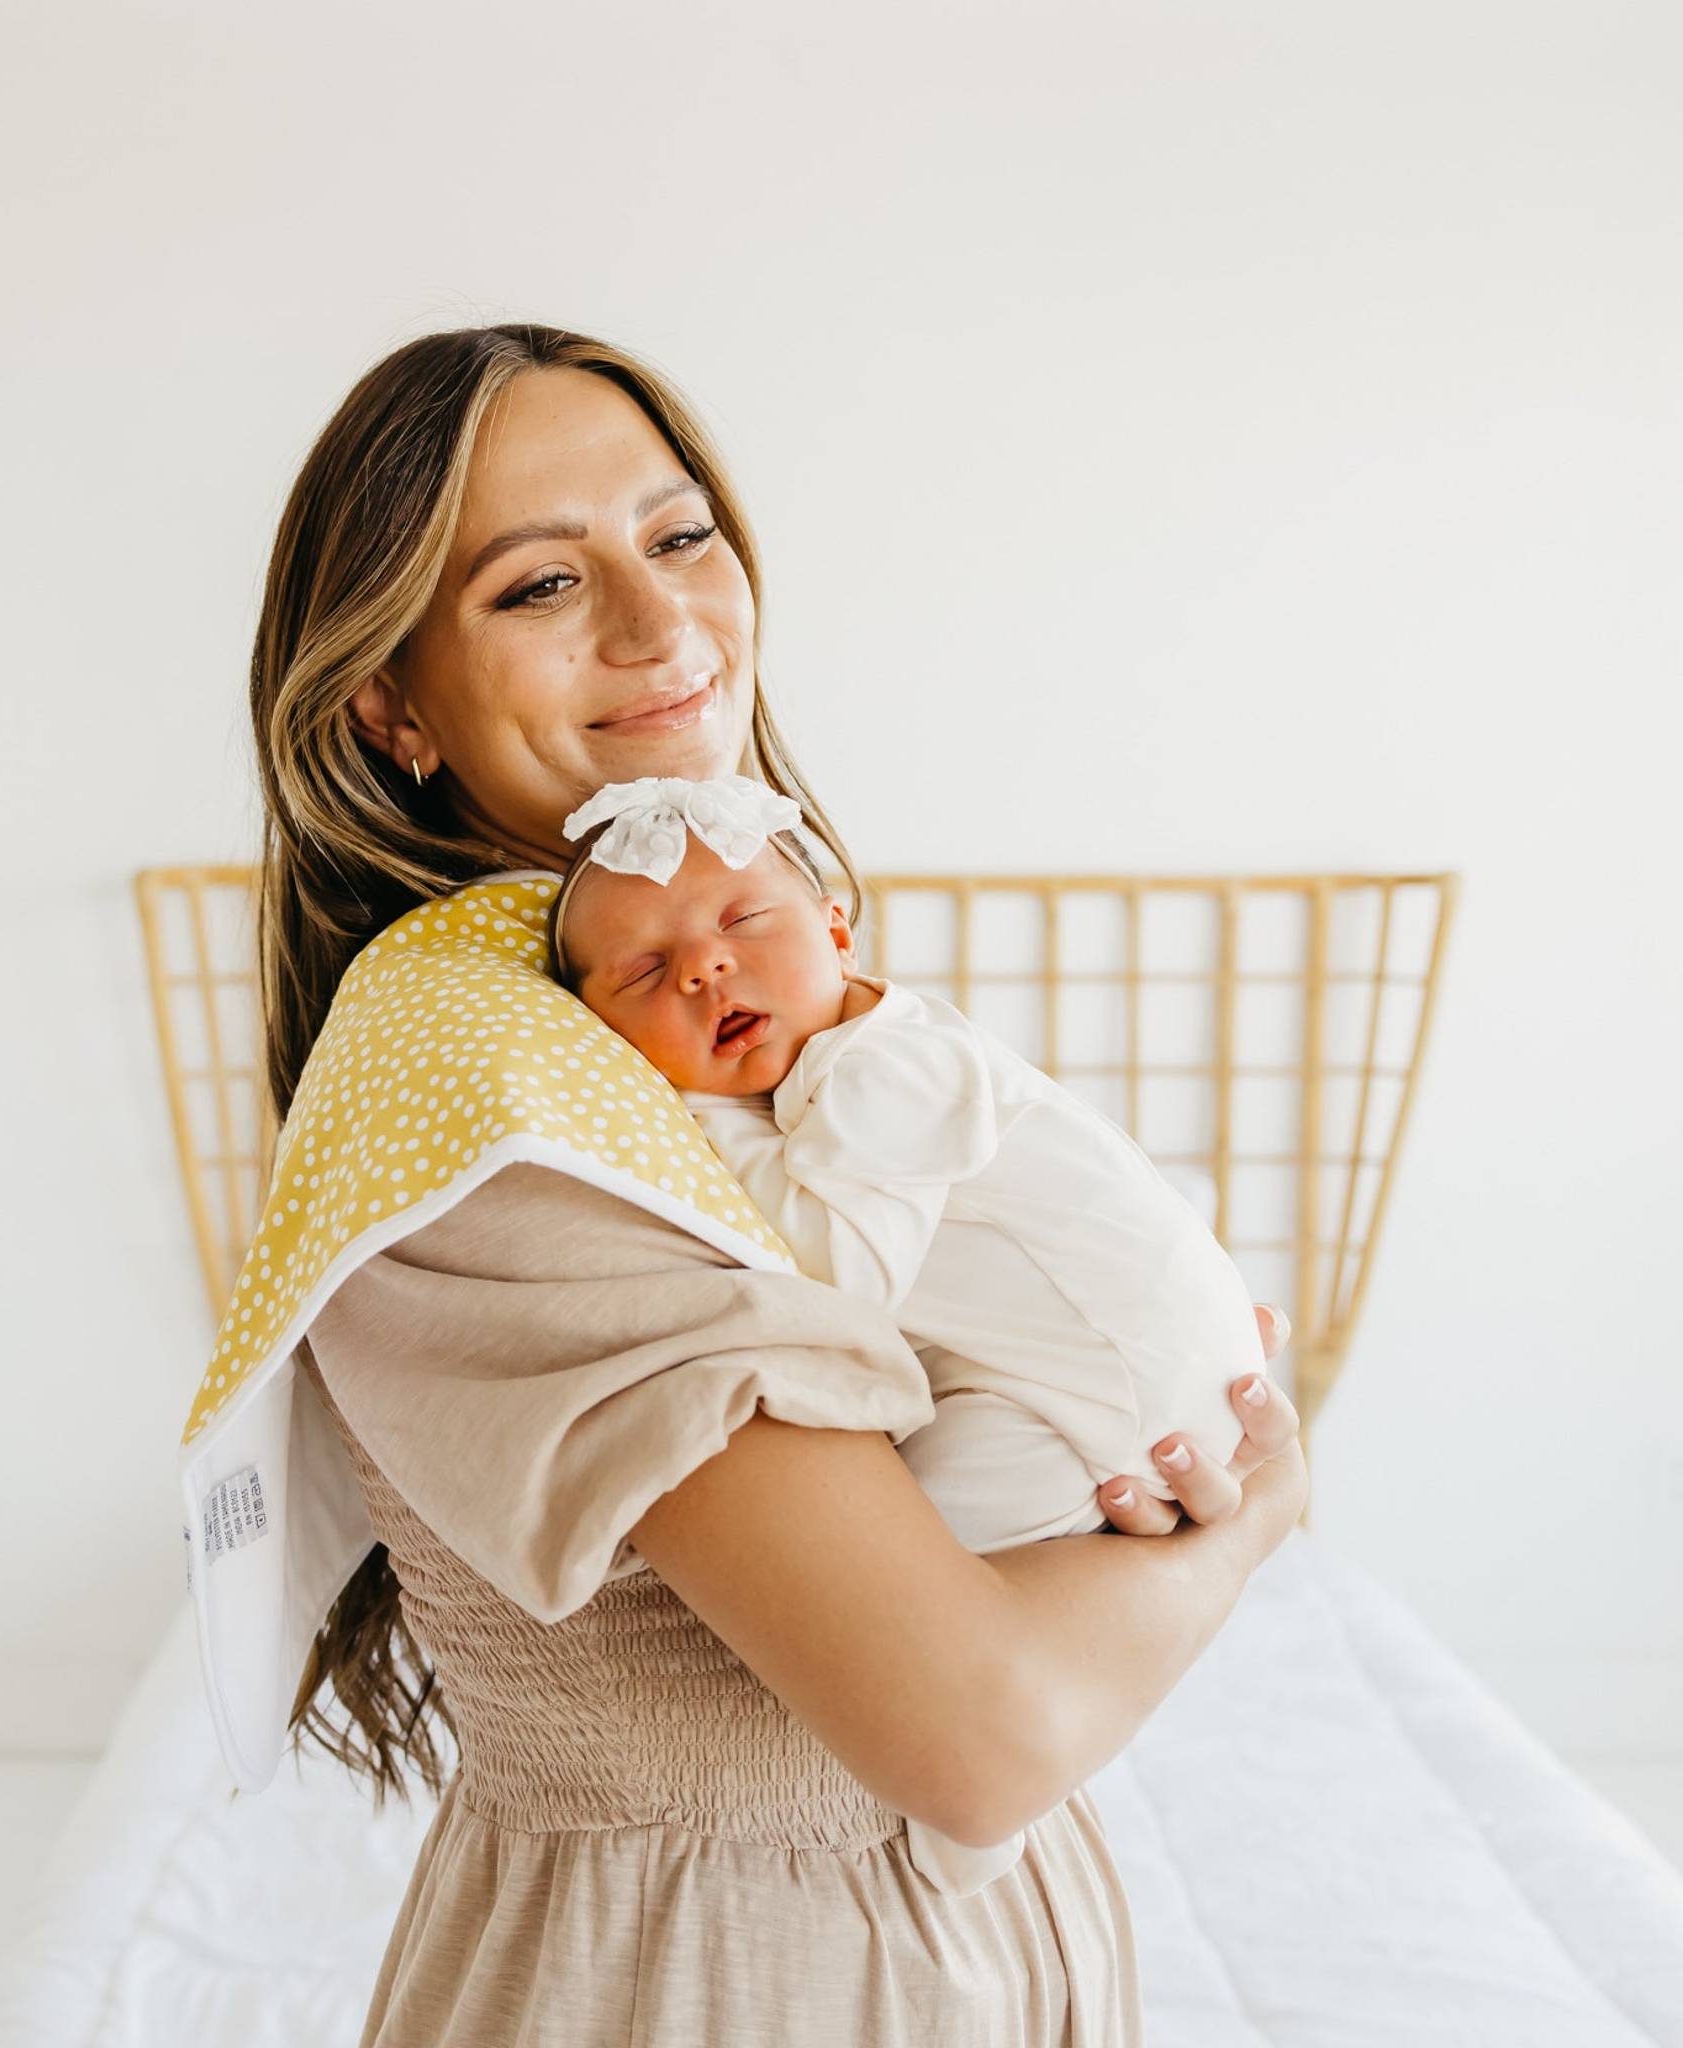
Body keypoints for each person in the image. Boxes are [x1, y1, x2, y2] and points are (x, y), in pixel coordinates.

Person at [244, 321, 1307, 2046]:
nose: (663, 626)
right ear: (388, 703)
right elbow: (976, 1731)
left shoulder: (690, 1041)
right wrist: (1244, 1518)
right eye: (534, 584)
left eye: (678, 536)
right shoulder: (489, 1094)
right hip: (722, 1980)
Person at [544, 773, 1271, 1899]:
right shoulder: (828, 1069)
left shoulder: (886, 1067)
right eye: (644, 971)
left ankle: (974, 1816)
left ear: (838, 929)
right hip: (1094, 1369)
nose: (702, 966)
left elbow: (834, 1276)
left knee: (910, 1597)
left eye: (742, 920)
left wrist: (688, 1121)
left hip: (1122, 1387)